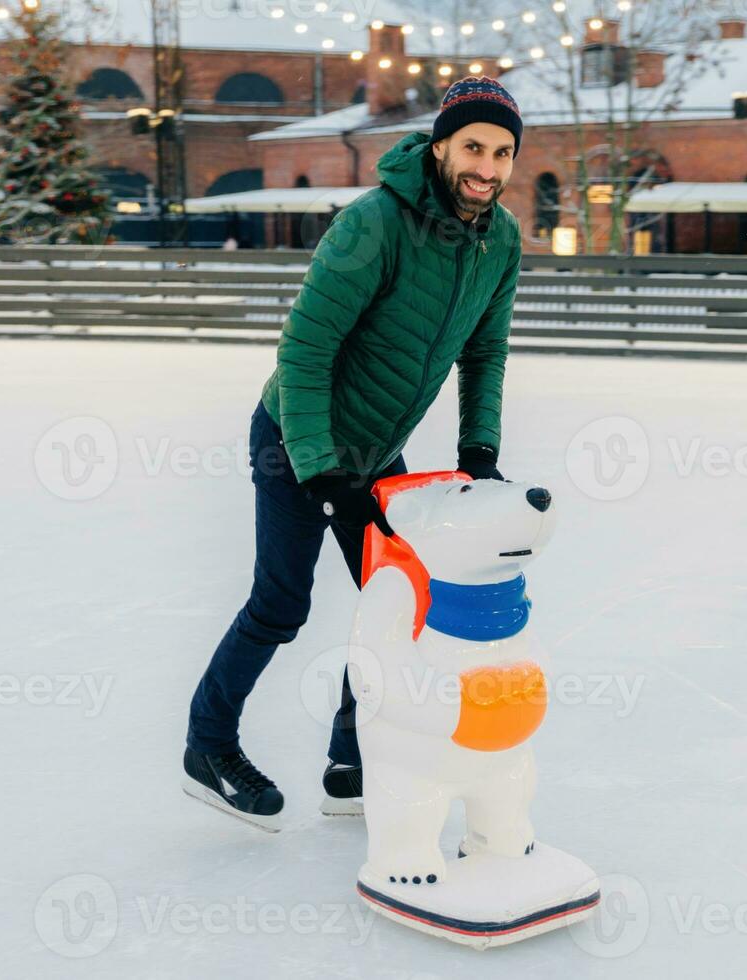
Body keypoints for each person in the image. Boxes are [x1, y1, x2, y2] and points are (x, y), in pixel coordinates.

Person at [183, 76, 525, 829]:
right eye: (473, 147)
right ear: (440, 147)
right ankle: (207, 747)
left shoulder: (499, 238)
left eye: (502, 153)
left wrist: (480, 449)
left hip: (374, 449)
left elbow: (486, 352)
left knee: (398, 599)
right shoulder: (373, 225)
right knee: (281, 606)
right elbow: (305, 352)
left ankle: (351, 754)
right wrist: (323, 470)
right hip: (294, 439)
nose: (489, 167)